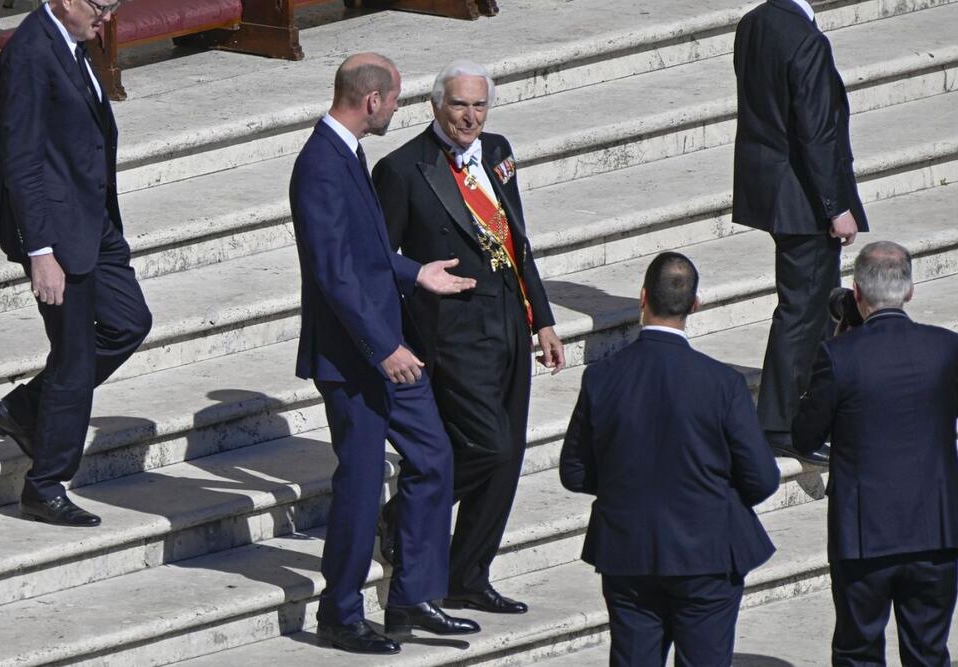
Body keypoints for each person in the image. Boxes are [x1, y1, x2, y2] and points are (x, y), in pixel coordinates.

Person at [290, 53, 482, 655]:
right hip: (356, 357)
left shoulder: (348, 152)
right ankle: (340, 613)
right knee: (361, 480)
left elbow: (367, 251)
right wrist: (383, 348)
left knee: (434, 455)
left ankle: (412, 598)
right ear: (371, 100)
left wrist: (415, 272)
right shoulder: (320, 164)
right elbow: (333, 272)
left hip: (385, 343)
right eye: (395, 99)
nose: (398, 109)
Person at [372, 59, 564, 615]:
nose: (470, 117)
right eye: (459, 104)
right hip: (453, 332)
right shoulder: (402, 169)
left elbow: (517, 241)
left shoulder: (498, 151)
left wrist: (543, 318)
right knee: (489, 444)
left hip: (510, 320)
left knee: (509, 455)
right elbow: (379, 259)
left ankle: (468, 576)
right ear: (436, 105)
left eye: (479, 105)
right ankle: (401, 515)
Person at [560, 252, 780, 667]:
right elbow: (762, 478)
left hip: (628, 549)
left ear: (643, 297)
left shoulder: (601, 377)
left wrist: (628, 487)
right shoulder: (722, 383)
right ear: (694, 304)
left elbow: (574, 472)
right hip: (707, 552)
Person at [0, 0, 151, 527]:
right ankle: (44, 485)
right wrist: (41, 252)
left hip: (92, 219)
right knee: (74, 358)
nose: (109, 18)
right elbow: (21, 158)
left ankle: (25, 408)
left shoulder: (74, 39)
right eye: (102, 6)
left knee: (129, 322)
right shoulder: (30, 53)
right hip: (55, 232)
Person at [793, 241, 958, 666]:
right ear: (910, 291)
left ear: (857, 292)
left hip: (863, 537)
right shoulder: (947, 348)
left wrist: (836, 346)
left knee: (858, 653)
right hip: (935, 531)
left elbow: (805, 436)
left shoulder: (838, 355)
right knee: (929, 653)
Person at [732, 0, 869, 464]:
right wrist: (837, 207)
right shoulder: (807, 39)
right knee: (804, 310)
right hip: (804, 200)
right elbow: (816, 130)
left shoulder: (754, 22)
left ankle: (807, 406)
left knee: (808, 305)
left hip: (772, 188)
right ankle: (781, 423)